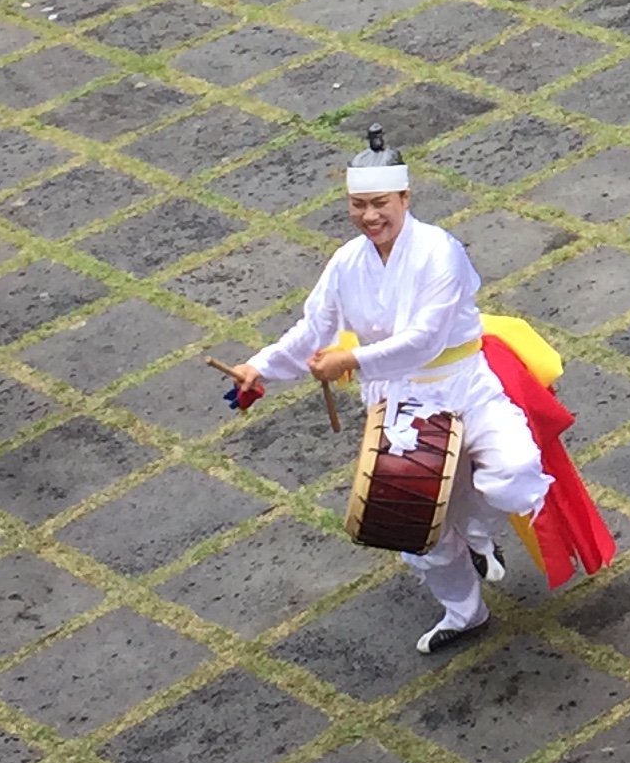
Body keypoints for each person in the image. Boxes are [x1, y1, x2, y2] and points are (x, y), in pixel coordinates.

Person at [225, 134, 566, 654]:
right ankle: (464, 610)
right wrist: (260, 365)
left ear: (404, 198)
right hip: (399, 405)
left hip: (465, 386)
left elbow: (425, 339)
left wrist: (352, 359)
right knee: (410, 525)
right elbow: (314, 328)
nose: (369, 216)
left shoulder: (439, 252)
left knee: (516, 475)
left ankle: (477, 532)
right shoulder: (345, 263)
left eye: (379, 203)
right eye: (358, 205)